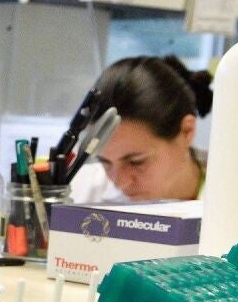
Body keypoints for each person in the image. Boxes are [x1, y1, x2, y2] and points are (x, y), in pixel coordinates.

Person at [70, 56, 213, 204]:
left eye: (136, 162)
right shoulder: (79, 193)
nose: (121, 184)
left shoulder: (227, 193)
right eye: (105, 162)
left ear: (186, 131)